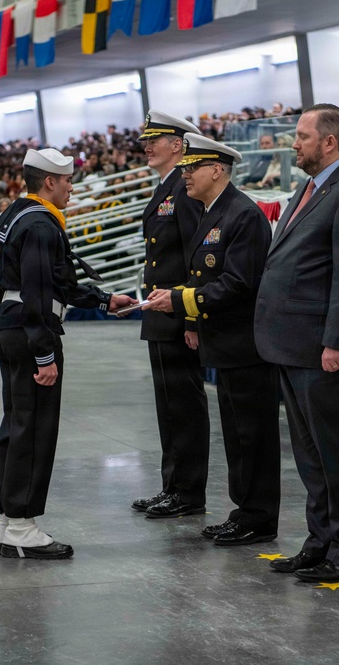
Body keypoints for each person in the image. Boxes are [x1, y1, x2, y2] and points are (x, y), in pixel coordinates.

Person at [0, 148, 136, 559]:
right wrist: (44, 355)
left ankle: (9, 520)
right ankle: (21, 524)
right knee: (34, 429)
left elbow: (55, 282)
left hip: (13, 325)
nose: (72, 187)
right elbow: (38, 291)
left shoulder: (20, 215)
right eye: (68, 180)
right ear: (49, 182)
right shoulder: (40, 225)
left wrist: (105, 300)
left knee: (18, 424)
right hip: (31, 329)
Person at [254, 103, 339, 582]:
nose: (294, 143)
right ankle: (320, 540)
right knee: (308, 454)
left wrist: (335, 342)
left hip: (320, 349)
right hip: (290, 344)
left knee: (333, 454)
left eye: (302, 136)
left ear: (329, 142)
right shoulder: (309, 187)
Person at [144, 134, 281, 547]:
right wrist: (189, 313)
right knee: (238, 435)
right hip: (224, 343)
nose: (185, 175)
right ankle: (245, 512)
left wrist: (182, 300)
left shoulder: (242, 215)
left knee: (252, 436)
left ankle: (257, 517)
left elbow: (238, 283)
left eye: (192, 168)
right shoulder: (213, 212)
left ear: (216, 170)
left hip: (245, 344)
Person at [129, 111, 211, 520]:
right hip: (160, 312)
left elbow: (197, 256)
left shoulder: (185, 187)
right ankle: (172, 485)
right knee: (168, 407)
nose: (146, 147)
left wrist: (193, 317)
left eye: (154, 140)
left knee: (184, 406)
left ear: (178, 145)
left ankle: (188, 492)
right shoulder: (168, 186)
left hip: (179, 313)